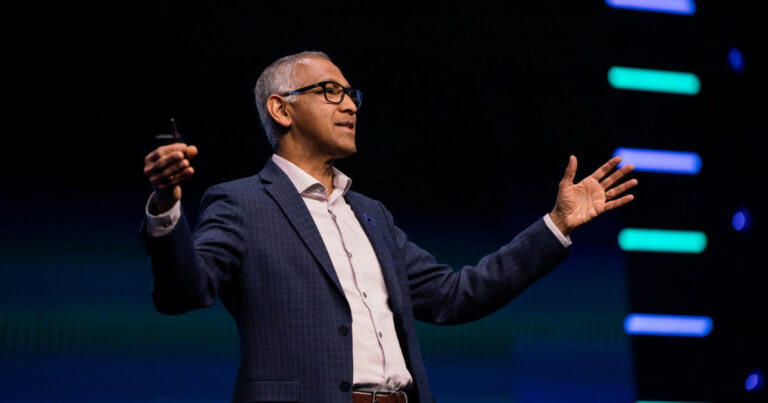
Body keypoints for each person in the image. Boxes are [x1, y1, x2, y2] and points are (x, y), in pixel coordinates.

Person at [141, 51, 637, 403]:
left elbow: (454, 295)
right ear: (281, 108)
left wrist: (555, 225)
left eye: (351, 94)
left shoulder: (372, 214)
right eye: (330, 91)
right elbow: (186, 291)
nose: (351, 105)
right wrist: (167, 204)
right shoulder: (242, 201)